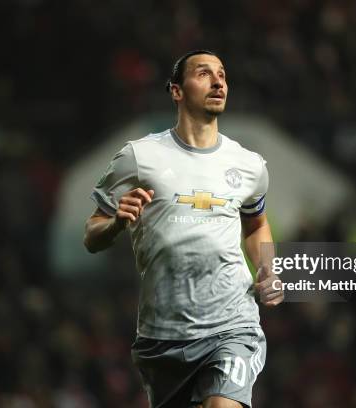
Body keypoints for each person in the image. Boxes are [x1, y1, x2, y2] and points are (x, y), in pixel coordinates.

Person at [84, 49, 283, 408]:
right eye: (204, 73)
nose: (218, 81)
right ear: (176, 90)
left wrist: (267, 267)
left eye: (222, 74)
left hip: (231, 325)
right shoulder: (138, 157)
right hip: (162, 339)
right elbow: (91, 235)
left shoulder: (249, 165)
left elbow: (256, 226)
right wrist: (114, 224)